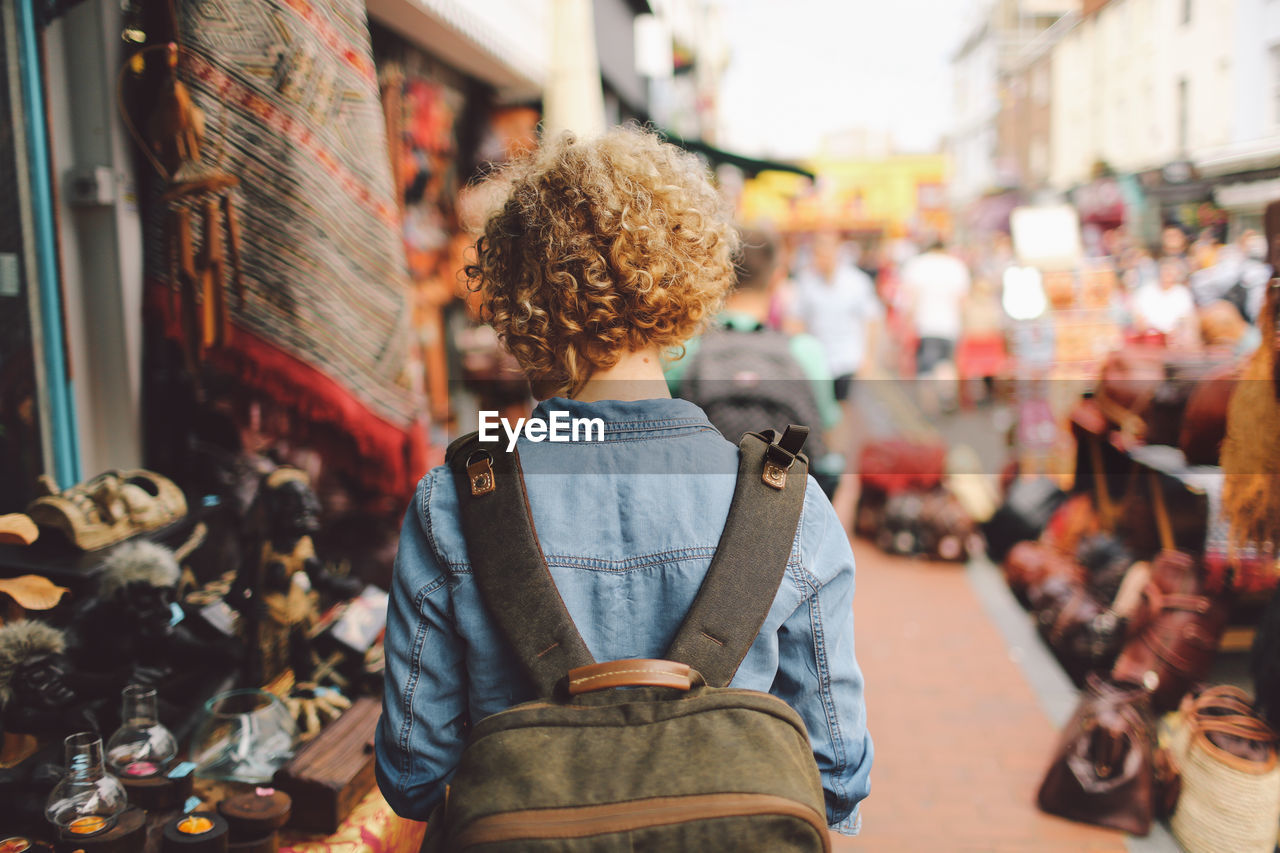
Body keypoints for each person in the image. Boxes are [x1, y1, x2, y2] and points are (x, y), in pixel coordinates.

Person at [374, 127, 872, 836]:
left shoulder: (455, 501)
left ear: (517, 295)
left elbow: (413, 772)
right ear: (691, 280)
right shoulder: (787, 501)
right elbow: (838, 773)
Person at [666, 227, 842, 494]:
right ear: (777, 278)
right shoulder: (806, 353)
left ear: (720, 275)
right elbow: (825, 440)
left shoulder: (682, 351)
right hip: (784, 514)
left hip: (702, 504)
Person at [788, 230, 883, 400]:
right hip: (817, 361)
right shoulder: (806, 281)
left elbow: (871, 320)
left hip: (846, 359)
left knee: (843, 406)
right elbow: (796, 319)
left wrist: (868, 357)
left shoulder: (856, 282)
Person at [1133, 257, 1197, 347]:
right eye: (1165, 270)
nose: (1168, 274)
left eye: (1171, 271)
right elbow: (1139, 318)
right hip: (1151, 337)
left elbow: (1188, 319)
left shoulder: (1182, 293)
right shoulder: (1146, 291)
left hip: (1175, 338)